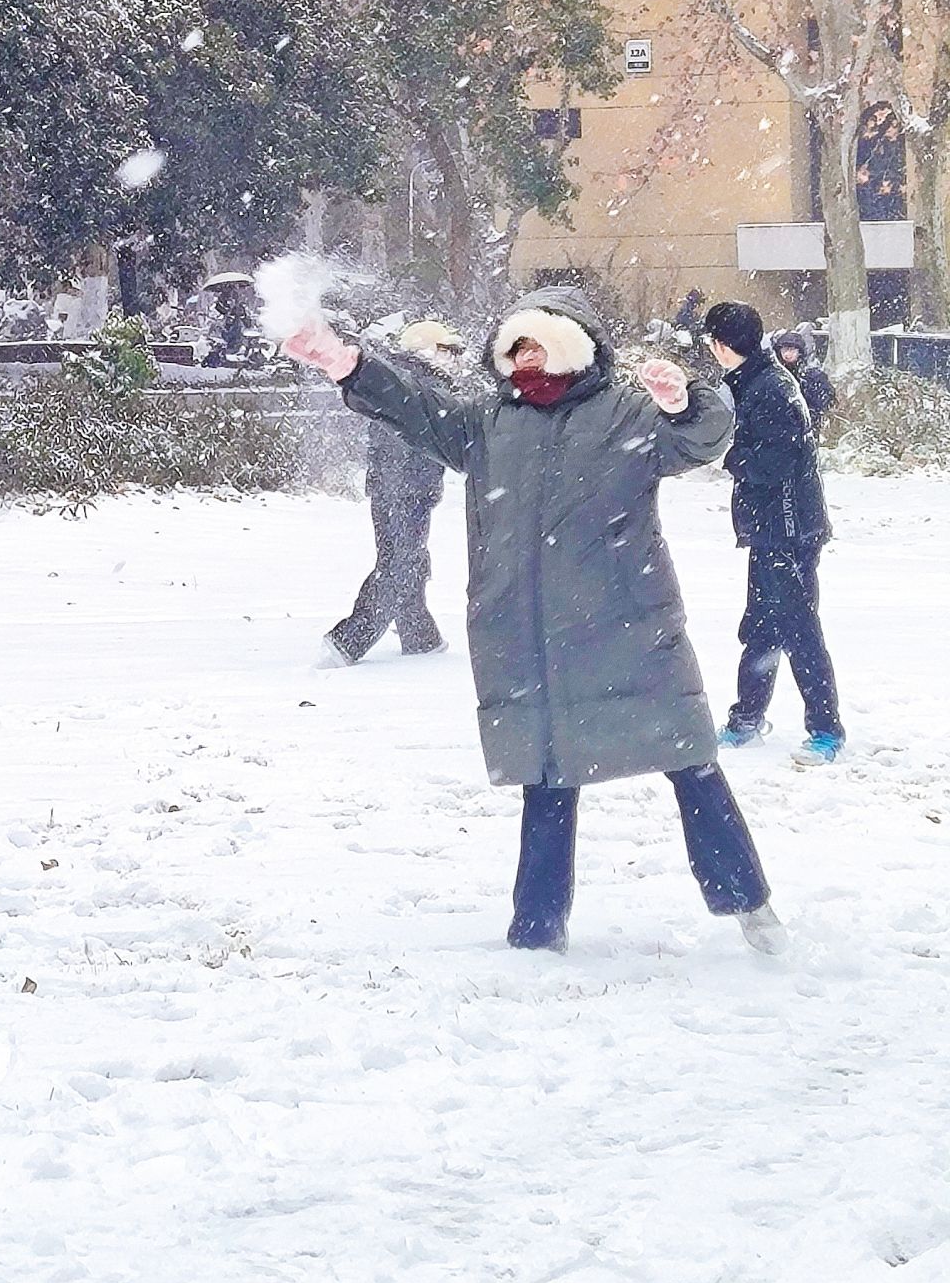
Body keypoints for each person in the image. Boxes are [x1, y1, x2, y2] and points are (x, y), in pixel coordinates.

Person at [286, 286, 785, 956]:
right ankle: (537, 929)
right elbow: (416, 409)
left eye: (537, 344)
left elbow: (701, 438)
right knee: (547, 778)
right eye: (514, 346)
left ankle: (750, 907)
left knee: (691, 762)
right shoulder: (491, 422)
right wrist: (350, 364)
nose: (523, 358)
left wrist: (684, 400)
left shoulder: (624, 413)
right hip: (529, 638)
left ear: (573, 346)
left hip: (629, 630)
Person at [703, 300, 842, 765]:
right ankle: (747, 718)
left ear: (723, 346)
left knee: (799, 629)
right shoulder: (752, 382)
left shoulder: (770, 388)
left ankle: (826, 730)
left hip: (790, 531)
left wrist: (731, 455)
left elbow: (776, 462)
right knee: (761, 627)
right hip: (770, 531)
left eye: (712, 342)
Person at [324, 317, 457, 664]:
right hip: (407, 487)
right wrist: (409, 484)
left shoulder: (399, 381)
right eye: (447, 350)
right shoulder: (425, 385)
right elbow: (412, 439)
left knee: (401, 558)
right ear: (427, 350)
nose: (453, 358)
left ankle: (420, 635)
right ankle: (350, 639)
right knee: (403, 563)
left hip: (390, 486)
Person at [770, 324, 836, 429]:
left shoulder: (812, 376)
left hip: (808, 426)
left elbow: (826, 399)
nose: (787, 354)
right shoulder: (775, 375)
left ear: (799, 351)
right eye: (784, 350)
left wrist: (812, 414)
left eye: (791, 350)